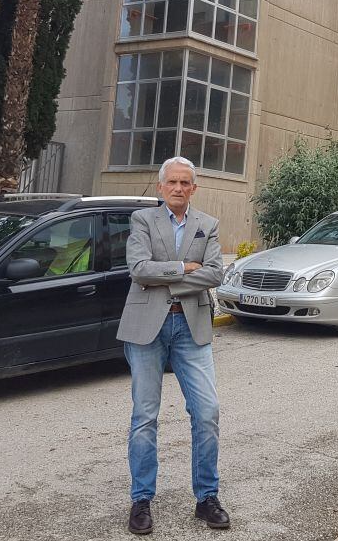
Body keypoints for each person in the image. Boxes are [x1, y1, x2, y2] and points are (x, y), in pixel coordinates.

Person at [117, 156, 229, 534]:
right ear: (162, 186)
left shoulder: (207, 225)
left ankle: (207, 497)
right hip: (147, 327)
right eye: (173, 183)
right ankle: (141, 500)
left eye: (186, 183)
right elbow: (138, 269)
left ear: (194, 188)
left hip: (191, 327)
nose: (179, 188)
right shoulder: (142, 221)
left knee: (207, 412)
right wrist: (185, 269)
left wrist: (164, 277)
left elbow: (216, 272)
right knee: (145, 417)